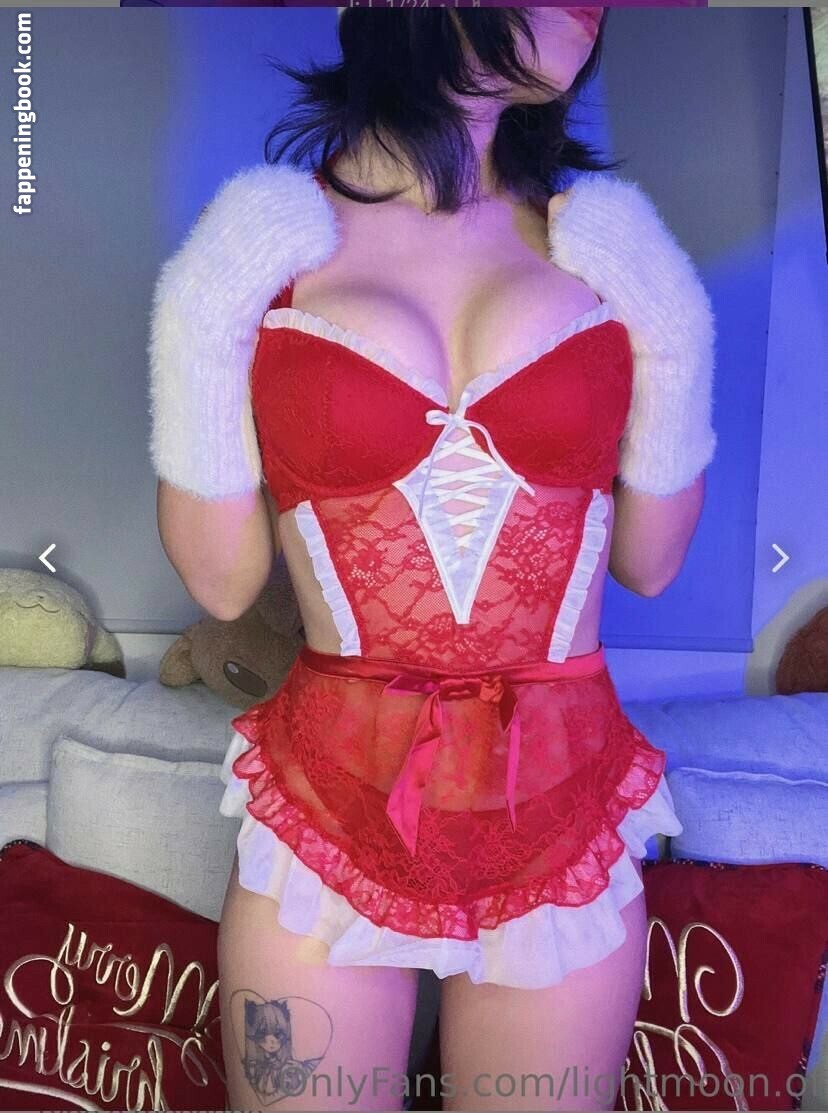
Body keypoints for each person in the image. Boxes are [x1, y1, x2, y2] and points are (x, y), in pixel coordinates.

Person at [148, 8, 715, 1110]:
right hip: (328, 806)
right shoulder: (267, 251)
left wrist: (674, 325)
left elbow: (651, 562)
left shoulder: (603, 253)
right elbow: (221, 582)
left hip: (562, 812)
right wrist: (201, 311)